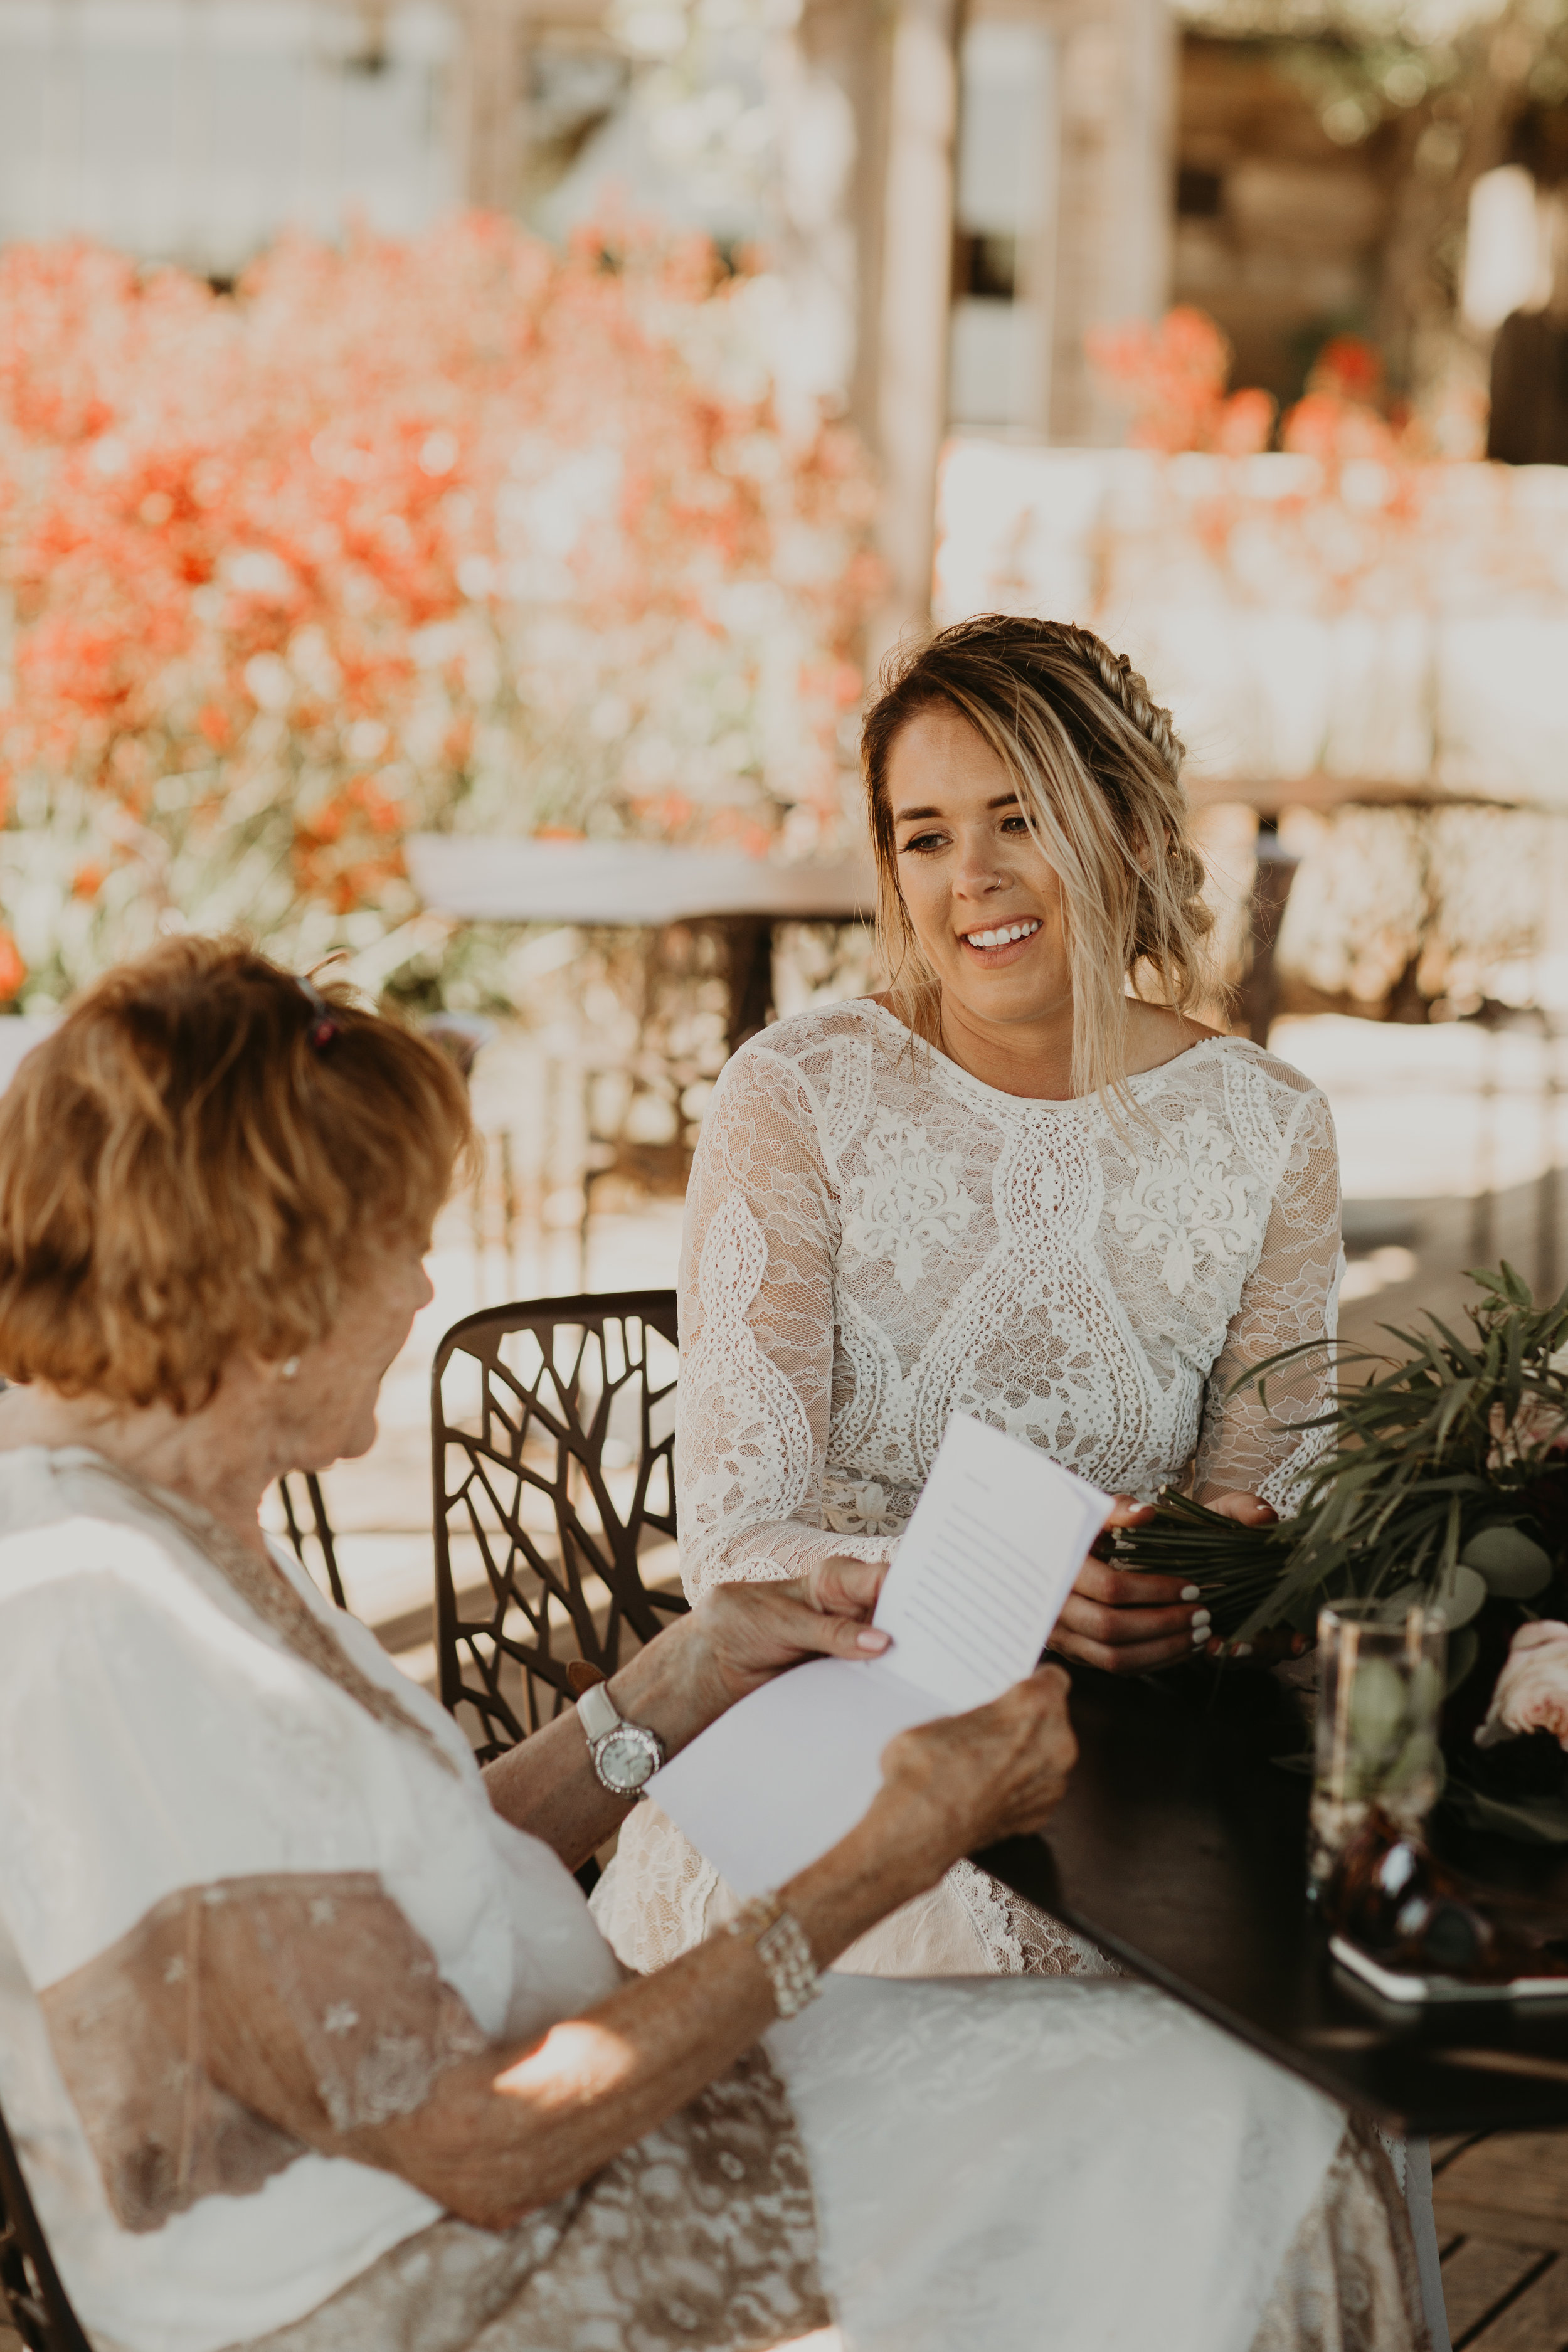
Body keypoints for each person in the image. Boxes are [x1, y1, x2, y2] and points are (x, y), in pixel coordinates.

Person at [0, 938, 1421, 2352]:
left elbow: (366, 1895)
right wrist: (892, 1853)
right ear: (273, 1296)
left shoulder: (157, 1528)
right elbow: (480, 2146)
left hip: (541, 2168)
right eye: (405, 1248)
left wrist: (680, 1680)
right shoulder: (104, 1618)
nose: (422, 1297)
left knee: (1246, 2101)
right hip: (466, 2275)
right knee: (1258, 2129)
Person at [595, 614, 1343, 1979]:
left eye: (1017, 819)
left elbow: (1280, 1502)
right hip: (832, 1736)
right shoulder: (798, 1093)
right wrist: (1004, 1590)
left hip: (1149, 1767)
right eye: (924, 835)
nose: (971, 880)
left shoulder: (1267, 1126)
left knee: (1310, 2016)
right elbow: (733, 1541)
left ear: (1121, 824)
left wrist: (1191, 1580)